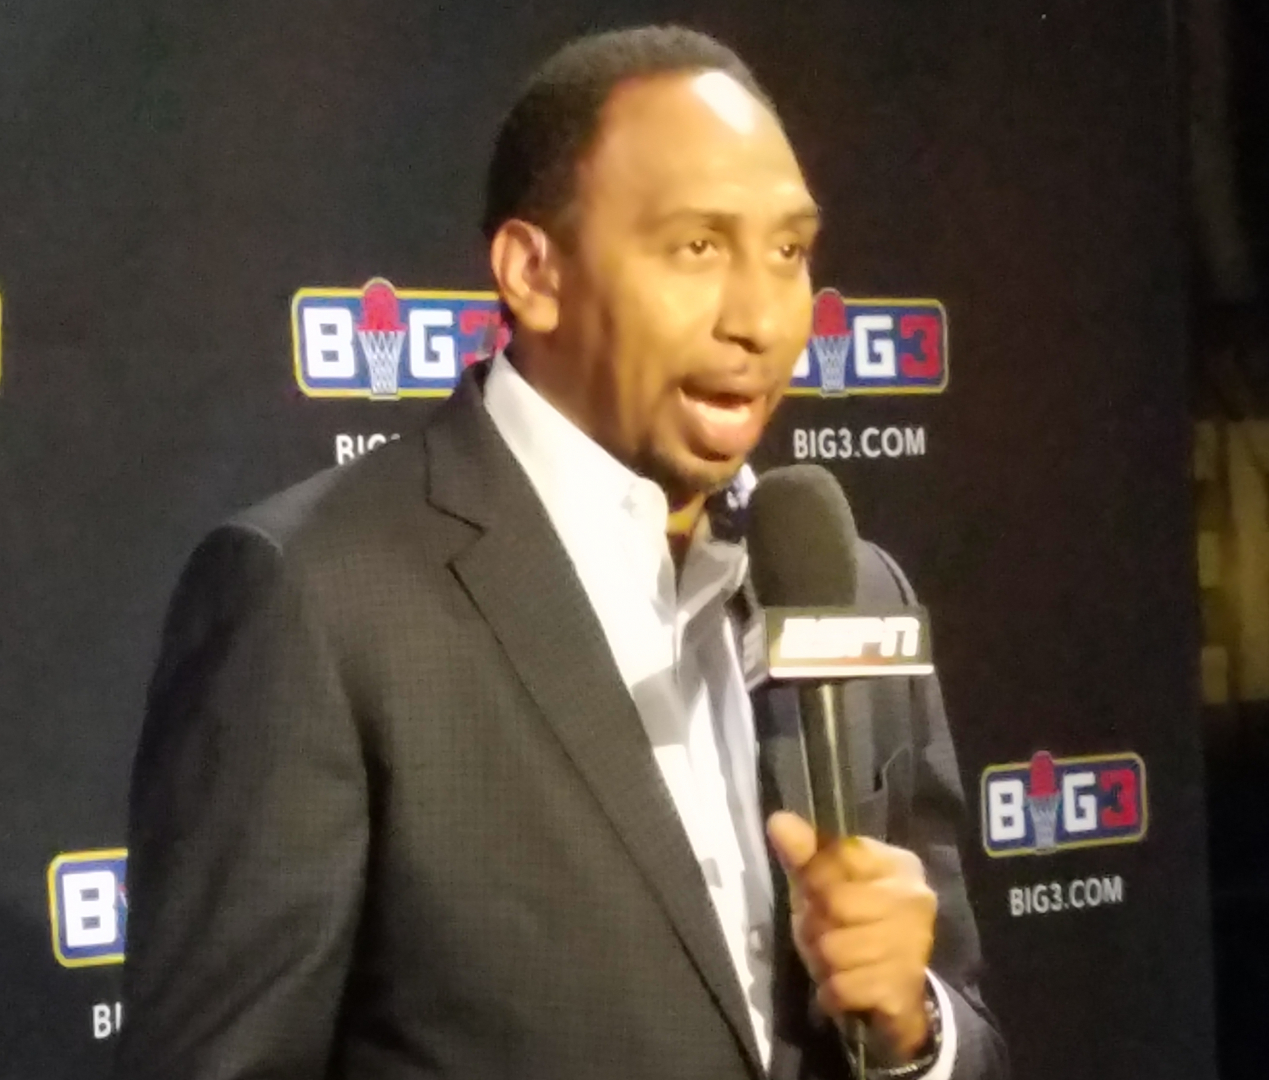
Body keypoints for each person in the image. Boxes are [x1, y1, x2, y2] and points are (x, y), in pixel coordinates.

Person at [114, 25, 1007, 1080]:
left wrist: (920, 1032)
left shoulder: (849, 588)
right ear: (534, 273)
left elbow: (964, 1026)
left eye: (788, 251)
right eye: (697, 247)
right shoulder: (316, 598)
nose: (761, 318)